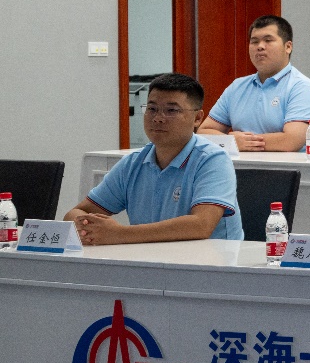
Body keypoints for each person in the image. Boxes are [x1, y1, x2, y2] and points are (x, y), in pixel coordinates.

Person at [65, 73, 243, 244]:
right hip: (149, 259)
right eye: (152, 109)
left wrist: (119, 233)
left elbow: (201, 225)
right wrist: (87, 226)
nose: (158, 118)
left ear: (197, 118)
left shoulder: (213, 160)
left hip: (211, 261)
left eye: (171, 110)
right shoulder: (133, 163)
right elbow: (75, 213)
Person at [199, 15, 310, 151]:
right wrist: (231, 141)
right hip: (240, 163)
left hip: (288, 164)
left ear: (288, 47)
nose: (260, 47)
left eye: (268, 40)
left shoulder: (301, 86)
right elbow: (203, 132)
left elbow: (291, 141)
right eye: (254, 42)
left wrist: (239, 142)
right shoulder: (237, 87)